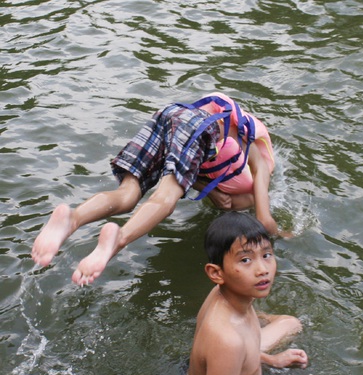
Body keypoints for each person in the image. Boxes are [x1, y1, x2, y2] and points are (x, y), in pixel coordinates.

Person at [31, 92, 281, 286]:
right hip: (198, 126)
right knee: (165, 198)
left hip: (169, 115)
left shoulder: (220, 139)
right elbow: (258, 173)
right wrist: (266, 220)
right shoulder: (252, 147)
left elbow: (186, 161)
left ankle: (71, 219)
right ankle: (119, 240)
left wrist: (211, 190)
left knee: (128, 194)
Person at [187, 212, 316, 375]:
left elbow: (244, 348)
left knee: (291, 323)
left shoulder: (227, 295)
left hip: (229, 372)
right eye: (245, 260)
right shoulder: (227, 341)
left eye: (266, 255)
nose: (262, 270)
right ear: (216, 273)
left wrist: (272, 360)